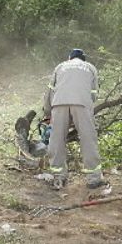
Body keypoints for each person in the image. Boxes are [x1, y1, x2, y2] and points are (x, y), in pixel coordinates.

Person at [43, 48, 107, 190]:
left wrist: (48, 113)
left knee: (57, 139)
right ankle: (94, 178)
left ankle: (58, 177)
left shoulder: (60, 66)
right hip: (82, 103)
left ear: (69, 58)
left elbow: (49, 92)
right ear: (83, 59)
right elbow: (93, 94)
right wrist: (83, 111)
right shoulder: (90, 68)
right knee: (88, 139)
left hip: (59, 103)